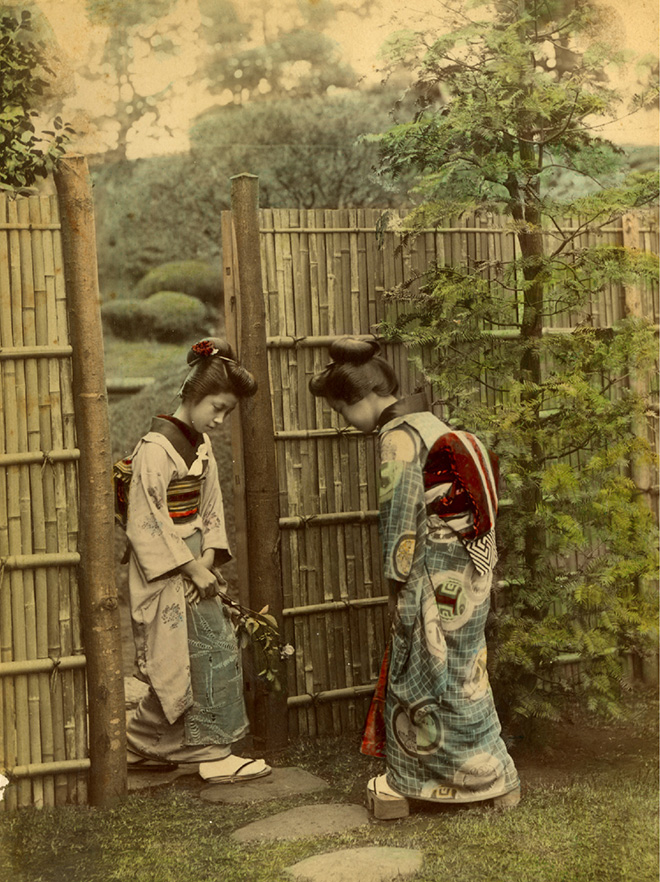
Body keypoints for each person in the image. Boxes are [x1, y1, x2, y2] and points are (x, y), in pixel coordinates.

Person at [309, 336, 519, 818]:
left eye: (342, 411)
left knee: (420, 672)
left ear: (361, 399)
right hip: (469, 568)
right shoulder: (432, 423)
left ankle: (423, 782)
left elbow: (400, 523)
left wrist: (394, 589)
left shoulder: (397, 437)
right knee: (466, 670)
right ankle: (497, 778)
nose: (345, 422)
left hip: (430, 571)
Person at [124, 337, 271, 784]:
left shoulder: (200, 446)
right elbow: (145, 519)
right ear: (193, 395)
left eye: (227, 411)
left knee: (211, 648)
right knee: (184, 658)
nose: (221, 419)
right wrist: (190, 568)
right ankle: (206, 754)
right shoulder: (154, 448)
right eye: (218, 407)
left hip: (195, 562)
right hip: (166, 566)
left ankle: (148, 743)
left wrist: (207, 560)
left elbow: (211, 509)